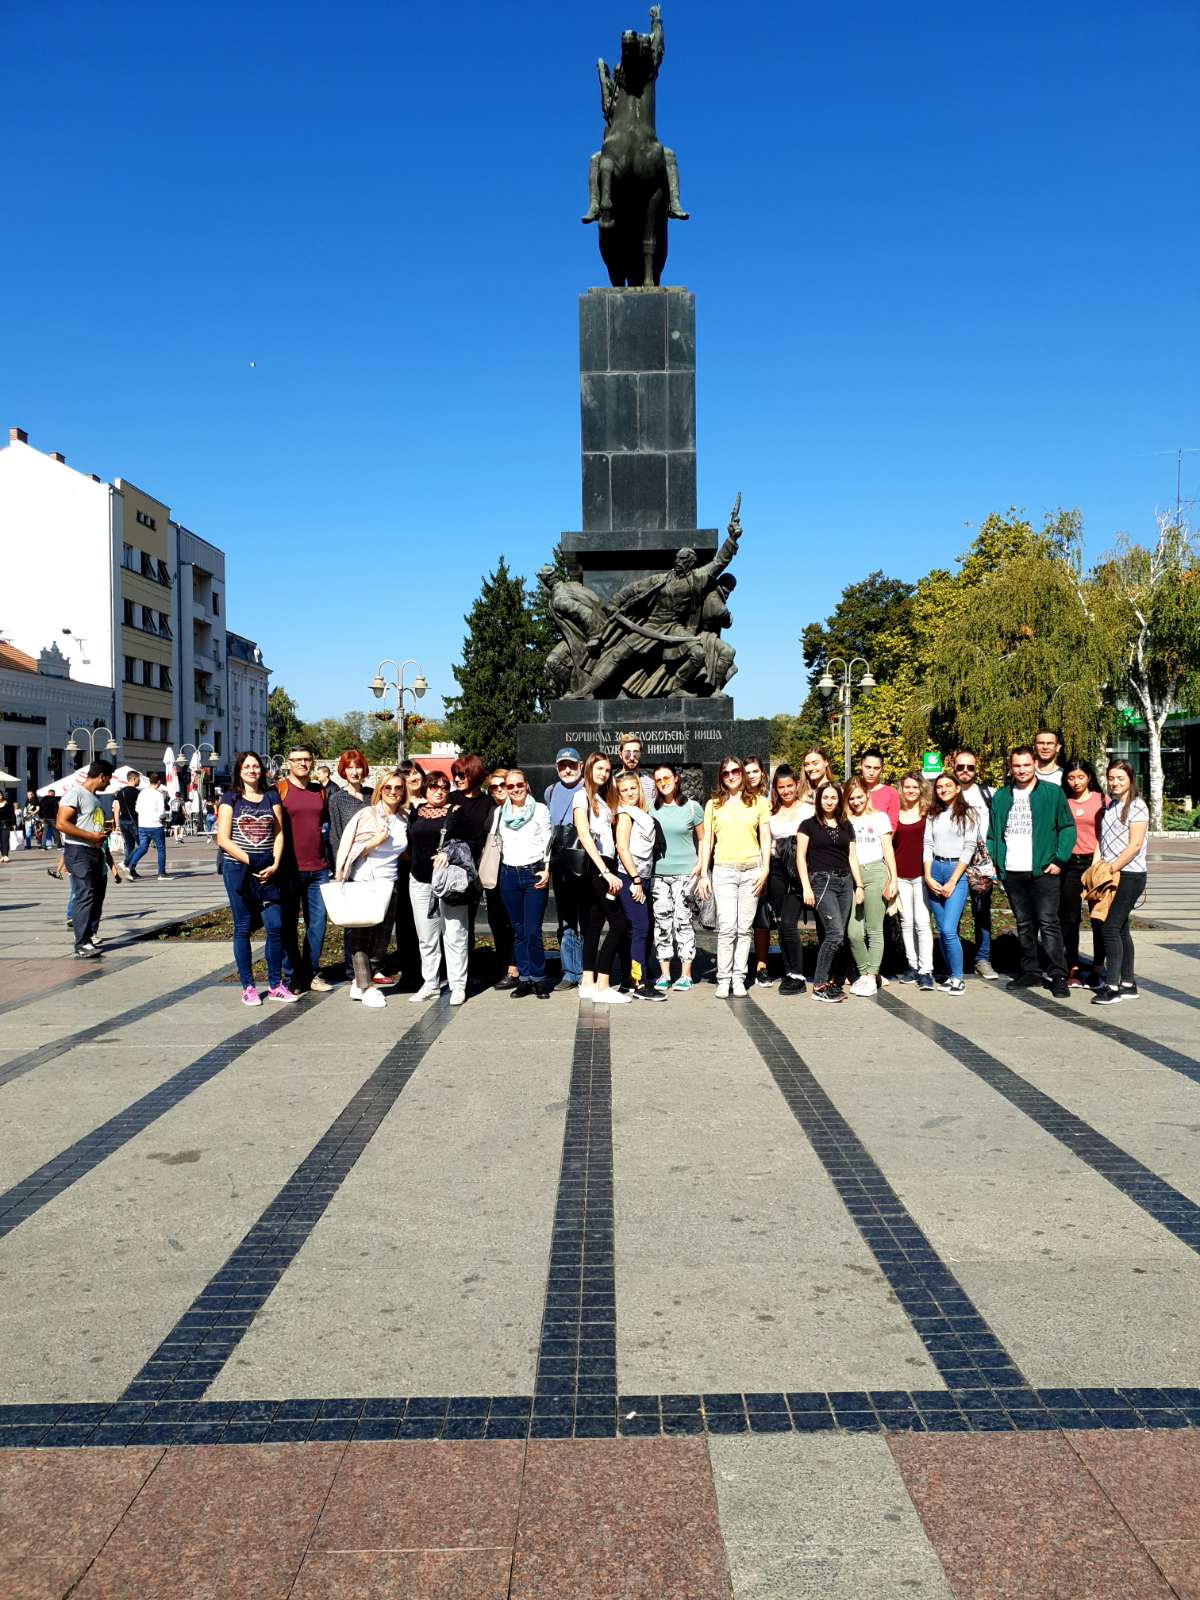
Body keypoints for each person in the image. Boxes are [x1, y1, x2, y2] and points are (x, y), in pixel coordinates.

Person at [986, 746, 1075, 997]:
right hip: (1013, 870)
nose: (1022, 770)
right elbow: (993, 834)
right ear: (1010, 767)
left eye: (1026, 765)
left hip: (1044, 870)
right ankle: (1031, 971)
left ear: (1035, 764)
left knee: (1048, 923)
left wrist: (1060, 859)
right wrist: (997, 862)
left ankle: (1058, 975)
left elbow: (1067, 827)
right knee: (1024, 924)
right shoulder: (1002, 796)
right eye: (1017, 765)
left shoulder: (1052, 793)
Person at [216, 751, 295, 1006]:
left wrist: (275, 863)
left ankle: (275, 985)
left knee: (275, 926)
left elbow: (279, 833)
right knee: (242, 926)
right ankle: (248, 987)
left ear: (262, 770)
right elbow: (223, 839)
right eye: (247, 766)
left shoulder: (271, 796)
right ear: (239, 771)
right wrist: (251, 860)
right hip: (238, 868)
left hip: (269, 869)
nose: (252, 770)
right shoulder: (230, 798)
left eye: (256, 766)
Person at [697, 755, 771, 999]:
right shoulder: (713, 804)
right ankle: (723, 978)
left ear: (742, 773)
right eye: (726, 773)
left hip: (752, 870)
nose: (731, 776)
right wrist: (704, 874)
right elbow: (708, 840)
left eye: (735, 771)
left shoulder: (759, 802)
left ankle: (739, 977)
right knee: (727, 928)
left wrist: (765, 869)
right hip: (724, 870)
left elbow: (765, 837)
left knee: (744, 928)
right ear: (721, 777)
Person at [335, 772, 410, 1010]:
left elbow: (403, 850)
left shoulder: (404, 818)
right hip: (365, 881)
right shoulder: (367, 814)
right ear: (380, 789)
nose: (393, 792)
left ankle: (360, 981)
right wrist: (374, 842)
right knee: (360, 936)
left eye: (398, 788)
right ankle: (366, 986)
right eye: (388, 787)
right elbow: (350, 848)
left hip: (390, 883)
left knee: (382, 938)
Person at [572, 752, 632, 1004]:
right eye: (599, 768)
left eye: (607, 770)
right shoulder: (581, 795)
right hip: (597, 865)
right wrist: (606, 872)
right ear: (588, 768)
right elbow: (584, 835)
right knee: (620, 922)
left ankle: (588, 982)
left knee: (595, 923)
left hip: (603, 863)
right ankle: (603, 985)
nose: (604, 774)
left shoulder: (601, 797)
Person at [796, 781, 864, 1003]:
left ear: (839, 800)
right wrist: (806, 887)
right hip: (822, 882)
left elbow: (852, 857)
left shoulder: (846, 825)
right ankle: (818, 985)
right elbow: (800, 858)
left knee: (839, 935)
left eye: (833, 797)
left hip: (845, 882)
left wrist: (859, 885)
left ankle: (834, 981)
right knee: (834, 933)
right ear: (819, 799)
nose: (829, 801)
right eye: (825, 797)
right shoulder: (808, 825)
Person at [407, 770, 469, 1004]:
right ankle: (431, 984)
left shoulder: (456, 812)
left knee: (454, 934)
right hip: (420, 880)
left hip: (449, 882)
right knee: (427, 936)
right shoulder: (416, 812)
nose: (439, 791)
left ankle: (458, 985)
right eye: (434, 786)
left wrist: (447, 853)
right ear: (425, 788)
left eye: (444, 787)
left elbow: (471, 842)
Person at [1091, 760, 1149, 1006]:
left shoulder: (1137, 806)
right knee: (1121, 928)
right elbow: (1102, 840)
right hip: (1110, 873)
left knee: (1110, 927)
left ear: (1130, 780)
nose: (1114, 783)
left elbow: (1134, 846)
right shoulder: (1111, 805)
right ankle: (1127, 983)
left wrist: (1111, 869)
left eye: (1120, 778)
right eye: (1111, 778)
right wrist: (1096, 868)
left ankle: (1112, 987)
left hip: (1129, 875)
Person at [276, 746, 333, 994]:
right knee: (288, 925)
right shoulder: (279, 790)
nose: (302, 763)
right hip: (289, 869)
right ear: (288, 763)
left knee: (317, 925)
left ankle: (310, 973)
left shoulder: (319, 791)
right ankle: (291, 977)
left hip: (318, 868)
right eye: (297, 760)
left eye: (307, 759)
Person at [922, 772, 984, 996]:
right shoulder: (933, 814)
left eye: (948, 785)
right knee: (941, 929)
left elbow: (969, 848)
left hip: (956, 871)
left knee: (949, 929)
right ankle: (950, 975)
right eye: (939, 786)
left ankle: (958, 978)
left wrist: (953, 880)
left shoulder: (969, 813)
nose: (943, 789)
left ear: (958, 788)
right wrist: (928, 876)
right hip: (935, 869)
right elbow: (928, 844)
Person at [497, 768, 553, 998]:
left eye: (519, 784)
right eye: (510, 786)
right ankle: (524, 978)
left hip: (533, 873)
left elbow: (548, 840)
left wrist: (546, 870)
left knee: (532, 931)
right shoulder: (500, 812)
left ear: (526, 785)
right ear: (505, 789)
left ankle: (538, 978)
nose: (515, 789)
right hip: (509, 874)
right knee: (518, 931)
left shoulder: (539, 809)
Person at [650, 763, 704, 992]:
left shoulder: (692, 808)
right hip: (658, 874)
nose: (663, 783)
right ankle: (664, 974)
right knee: (662, 923)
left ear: (676, 778)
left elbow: (703, 839)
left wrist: (701, 865)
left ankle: (685, 974)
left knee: (683, 922)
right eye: (658, 779)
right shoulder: (650, 808)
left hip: (686, 873)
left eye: (667, 778)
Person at [55, 759, 117, 958]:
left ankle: (89, 937)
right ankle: (81, 943)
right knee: (85, 894)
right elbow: (61, 823)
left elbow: (89, 823)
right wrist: (91, 836)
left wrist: (101, 836)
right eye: (108, 779)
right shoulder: (76, 793)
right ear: (102, 776)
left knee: (97, 896)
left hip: (95, 851)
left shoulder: (94, 798)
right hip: (79, 851)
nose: (109, 783)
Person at [843, 777, 898, 995]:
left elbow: (888, 849)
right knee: (854, 933)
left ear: (867, 795)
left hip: (876, 872)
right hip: (853, 876)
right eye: (851, 798)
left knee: (874, 929)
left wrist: (893, 879)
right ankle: (869, 973)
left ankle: (869, 976)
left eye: (859, 797)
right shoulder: (845, 820)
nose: (856, 802)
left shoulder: (879, 817)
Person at [615, 769, 664, 1002]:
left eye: (633, 788)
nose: (630, 793)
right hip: (630, 878)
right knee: (640, 928)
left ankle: (633, 978)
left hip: (642, 877)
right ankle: (639, 983)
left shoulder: (641, 813)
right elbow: (622, 848)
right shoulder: (625, 815)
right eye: (624, 790)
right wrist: (635, 880)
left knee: (638, 929)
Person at [950, 749, 997, 979]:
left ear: (977, 769)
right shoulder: (947, 792)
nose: (965, 771)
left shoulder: (988, 794)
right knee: (954, 912)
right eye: (961, 767)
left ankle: (982, 959)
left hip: (980, 862)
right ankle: (953, 958)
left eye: (970, 767)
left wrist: (995, 860)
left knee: (981, 911)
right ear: (953, 768)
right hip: (954, 860)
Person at [766, 764, 812, 996]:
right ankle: (789, 972)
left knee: (788, 922)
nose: (785, 791)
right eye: (781, 787)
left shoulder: (807, 811)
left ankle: (798, 974)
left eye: (789, 786)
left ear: (796, 785)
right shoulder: (770, 812)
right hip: (776, 870)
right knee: (781, 923)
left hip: (797, 871)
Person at [327, 749, 373, 983]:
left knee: (373, 917)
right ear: (343, 771)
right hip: (351, 865)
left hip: (374, 864)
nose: (354, 772)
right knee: (353, 921)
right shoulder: (337, 799)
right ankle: (352, 969)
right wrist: (340, 867)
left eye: (358, 767)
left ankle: (371, 965)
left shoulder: (372, 795)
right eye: (349, 767)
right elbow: (335, 835)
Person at [1060, 758, 1106, 986]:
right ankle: (1073, 967)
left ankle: (1097, 967)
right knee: (1069, 919)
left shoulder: (1101, 800)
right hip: (1070, 865)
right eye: (1071, 778)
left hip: (1095, 863)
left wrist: (1098, 863)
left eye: (1080, 777)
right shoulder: (1063, 800)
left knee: (1098, 918)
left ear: (1089, 777)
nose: (1076, 782)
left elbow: (1106, 833)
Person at [447, 753, 495, 973]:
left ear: (473, 774)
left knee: (469, 920)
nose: (456, 779)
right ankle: (450, 970)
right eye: (455, 775)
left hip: (475, 867)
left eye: (461, 775)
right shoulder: (450, 799)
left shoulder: (487, 802)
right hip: (452, 867)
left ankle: (467, 970)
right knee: (452, 922)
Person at [544, 748, 585, 989]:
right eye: (562, 765)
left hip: (584, 859)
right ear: (556, 768)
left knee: (586, 919)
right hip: (560, 861)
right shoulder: (550, 792)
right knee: (566, 920)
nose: (567, 770)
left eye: (571, 764)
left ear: (581, 765)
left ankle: (587, 970)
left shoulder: (589, 788)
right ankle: (570, 972)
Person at [893, 771, 934, 991]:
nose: (911, 790)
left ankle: (926, 970)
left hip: (921, 876)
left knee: (922, 922)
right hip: (900, 876)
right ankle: (913, 965)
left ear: (921, 789)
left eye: (915, 787)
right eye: (907, 787)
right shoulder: (895, 813)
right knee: (906, 922)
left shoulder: (928, 813)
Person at [484, 768, 520, 989]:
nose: (498, 790)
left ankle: (514, 968)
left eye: (501, 785)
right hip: (494, 873)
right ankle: (504, 965)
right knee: (497, 922)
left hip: (514, 871)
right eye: (493, 787)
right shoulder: (493, 811)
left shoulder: (522, 810)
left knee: (513, 922)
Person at [742, 754, 775, 985]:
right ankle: (739, 965)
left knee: (762, 917)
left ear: (762, 773)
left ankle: (762, 965)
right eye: (747, 772)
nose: (751, 776)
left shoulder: (770, 798)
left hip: (766, 863)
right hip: (742, 861)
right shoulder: (737, 798)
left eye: (755, 771)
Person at [125, 771, 169, 879]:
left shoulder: (142, 793)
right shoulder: (158, 795)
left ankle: (130, 867)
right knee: (160, 849)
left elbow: (137, 809)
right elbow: (161, 812)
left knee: (142, 847)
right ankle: (161, 873)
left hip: (143, 825)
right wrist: (164, 817)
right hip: (155, 826)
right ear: (158, 782)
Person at [859, 748, 899, 830]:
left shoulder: (891, 793)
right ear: (861, 766)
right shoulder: (851, 791)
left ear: (882, 769)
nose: (871, 772)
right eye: (868, 767)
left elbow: (892, 825)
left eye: (876, 768)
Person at [615, 733, 656, 809]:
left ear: (640, 754)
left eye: (635, 753)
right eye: (627, 754)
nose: (631, 758)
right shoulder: (612, 784)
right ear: (620, 754)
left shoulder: (650, 784)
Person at [111, 772, 140, 862]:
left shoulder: (121, 792)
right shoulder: (137, 793)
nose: (139, 781)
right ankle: (126, 863)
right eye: (138, 779)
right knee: (143, 845)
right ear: (134, 779)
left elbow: (116, 809)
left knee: (129, 846)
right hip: (134, 822)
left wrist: (117, 825)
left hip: (122, 821)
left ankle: (129, 868)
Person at [0, 789, 15, 861]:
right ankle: (2, 855)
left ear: (2, 795)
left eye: (0, 795)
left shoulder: (7, 803)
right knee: (0, 841)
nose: (0, 796)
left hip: (6, 824)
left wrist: (14, 823)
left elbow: (12, 814)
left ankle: (6, 855)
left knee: (5, 839)